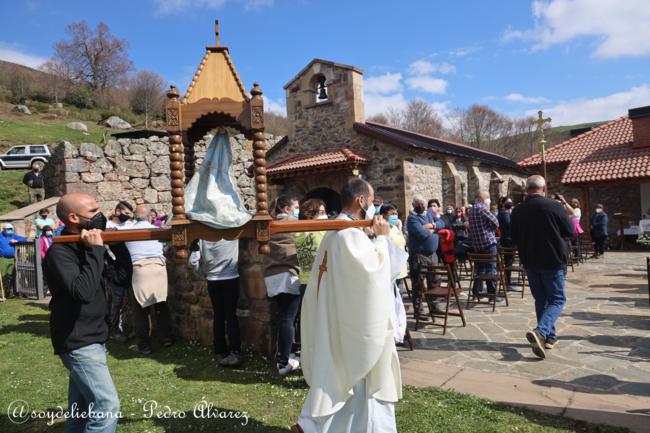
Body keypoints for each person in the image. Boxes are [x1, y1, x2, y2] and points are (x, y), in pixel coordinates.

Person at [293, 178, 404, 433]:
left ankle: (312, 426)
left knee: (336, 374)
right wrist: (382, 239)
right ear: (361, 201)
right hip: (352, 325)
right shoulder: (348, 235)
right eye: (372, 201)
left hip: (338, 315)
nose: (375, 208)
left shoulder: (337, 230)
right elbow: (375, 275)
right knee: (352, 375)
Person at [43, 193, 120, 432]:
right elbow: (82, 292)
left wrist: (116, 246)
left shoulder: (87, 246)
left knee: (81, 411)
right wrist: (95, 251)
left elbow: (121, 277)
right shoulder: (60, 252)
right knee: (106, 406)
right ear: (73, 218)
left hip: (94, 335)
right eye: (93, 211)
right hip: (78, 339)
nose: (99, 215)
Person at [511, 176, 573, 359]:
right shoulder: (554, 206)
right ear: (544, 188)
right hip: (551, 260)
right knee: (557, 300)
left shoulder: (518, 210)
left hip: (530, 260)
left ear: (527, 189)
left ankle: (548, 337)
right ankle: (541, 331)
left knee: (541, 299)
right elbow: (570, 231)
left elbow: (513, 236)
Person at [123, 205, 173, 354]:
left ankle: (144, 345)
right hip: (158, 267)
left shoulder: (126, 232)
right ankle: (166, 337)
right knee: (161, 304)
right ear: (150, 216)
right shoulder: (157, 230)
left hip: (140, 268)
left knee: (140, 310)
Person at [189, 238, 242, 367]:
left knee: (218, 315)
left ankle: (221, 350)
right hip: (230, 277)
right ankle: (234, 351)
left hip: (212, 279)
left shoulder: (201, 235)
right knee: (231, 316)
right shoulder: (233, 231)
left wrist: (202, 273)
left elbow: (192, 261)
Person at [265, 195, 302, 375]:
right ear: (287, 209)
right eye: (296, 207)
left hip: (272, 276)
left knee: (284, 318)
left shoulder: (269, 225)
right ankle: (283, 361)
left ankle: (288, 353)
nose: (298, 210)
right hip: (289, 276)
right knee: (289, 318)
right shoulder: (294, 224)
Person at [293, 198, 327, 353]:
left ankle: (305, 350)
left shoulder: (295, 231)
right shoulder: (322, 231)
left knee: (306, 319)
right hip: (318, 281)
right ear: (311, 214)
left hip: (304, 280)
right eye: (321, 212)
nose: (325, 216)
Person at [105, 201, 135, 343]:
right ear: (118, 212)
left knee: (133, 300)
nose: (128, 216)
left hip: (132, 266)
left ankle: (135, 328)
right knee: (116, 301)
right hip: (115, 268)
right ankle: (114, 329)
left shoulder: (131, 226)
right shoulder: (107, 227)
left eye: (130, 213)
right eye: (126, 213)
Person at [380, 203, 408, 345]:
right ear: (383, 215)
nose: (394, 216)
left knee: (399, 303)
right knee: (392, 303)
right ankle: (393, 332)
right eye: (391, 214)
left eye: (395, 213)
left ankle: (399, 331)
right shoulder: (383, 229)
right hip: (390, 272)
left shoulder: (395, 227)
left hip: (400, 271)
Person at [407, 195, 441, 306]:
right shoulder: (412, 218)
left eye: (422, 203)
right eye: (418, 204)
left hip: (432, 255)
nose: (420, 205)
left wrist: (432, 225)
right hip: (419, 255)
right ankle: (419, 309)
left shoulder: (429, 215)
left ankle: (434, 306)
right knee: (418, 283)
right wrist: (433, 229)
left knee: (435, 280)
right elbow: (422, 233)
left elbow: (442, 223)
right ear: (413, 205)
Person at [467, 190, 500, 300]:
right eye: (488, 197)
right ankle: (492, 295)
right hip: (488, 243)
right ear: (482, 198)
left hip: (477, 244)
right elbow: (496, 222)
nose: (489, 200)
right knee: (491, 269)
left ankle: (477, 292)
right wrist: (490, 229)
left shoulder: (471, 209)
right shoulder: (482, 208)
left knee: (480, 269)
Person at [497, 197, 519, 291]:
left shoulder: (505, 213)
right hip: (508, 240)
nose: (510, 203)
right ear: (503, 203)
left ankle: (508, 281)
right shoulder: (504, 213)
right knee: (508, 262)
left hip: (509, 239)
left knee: (509, 261)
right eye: (508, 202)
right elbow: (510, 225)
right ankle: (507, 283)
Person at [0, 223, 27, 297]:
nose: (10, 230)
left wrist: (16, 241)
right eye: (8, 229)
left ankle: (8, 292)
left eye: (11, 229)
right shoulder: (0, 236)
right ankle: (2, 292)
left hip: (12, 259)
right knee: (3, 276)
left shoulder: (13, 235)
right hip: (3, 259)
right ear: (4, 229)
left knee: (9, 276)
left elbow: (24, 239)